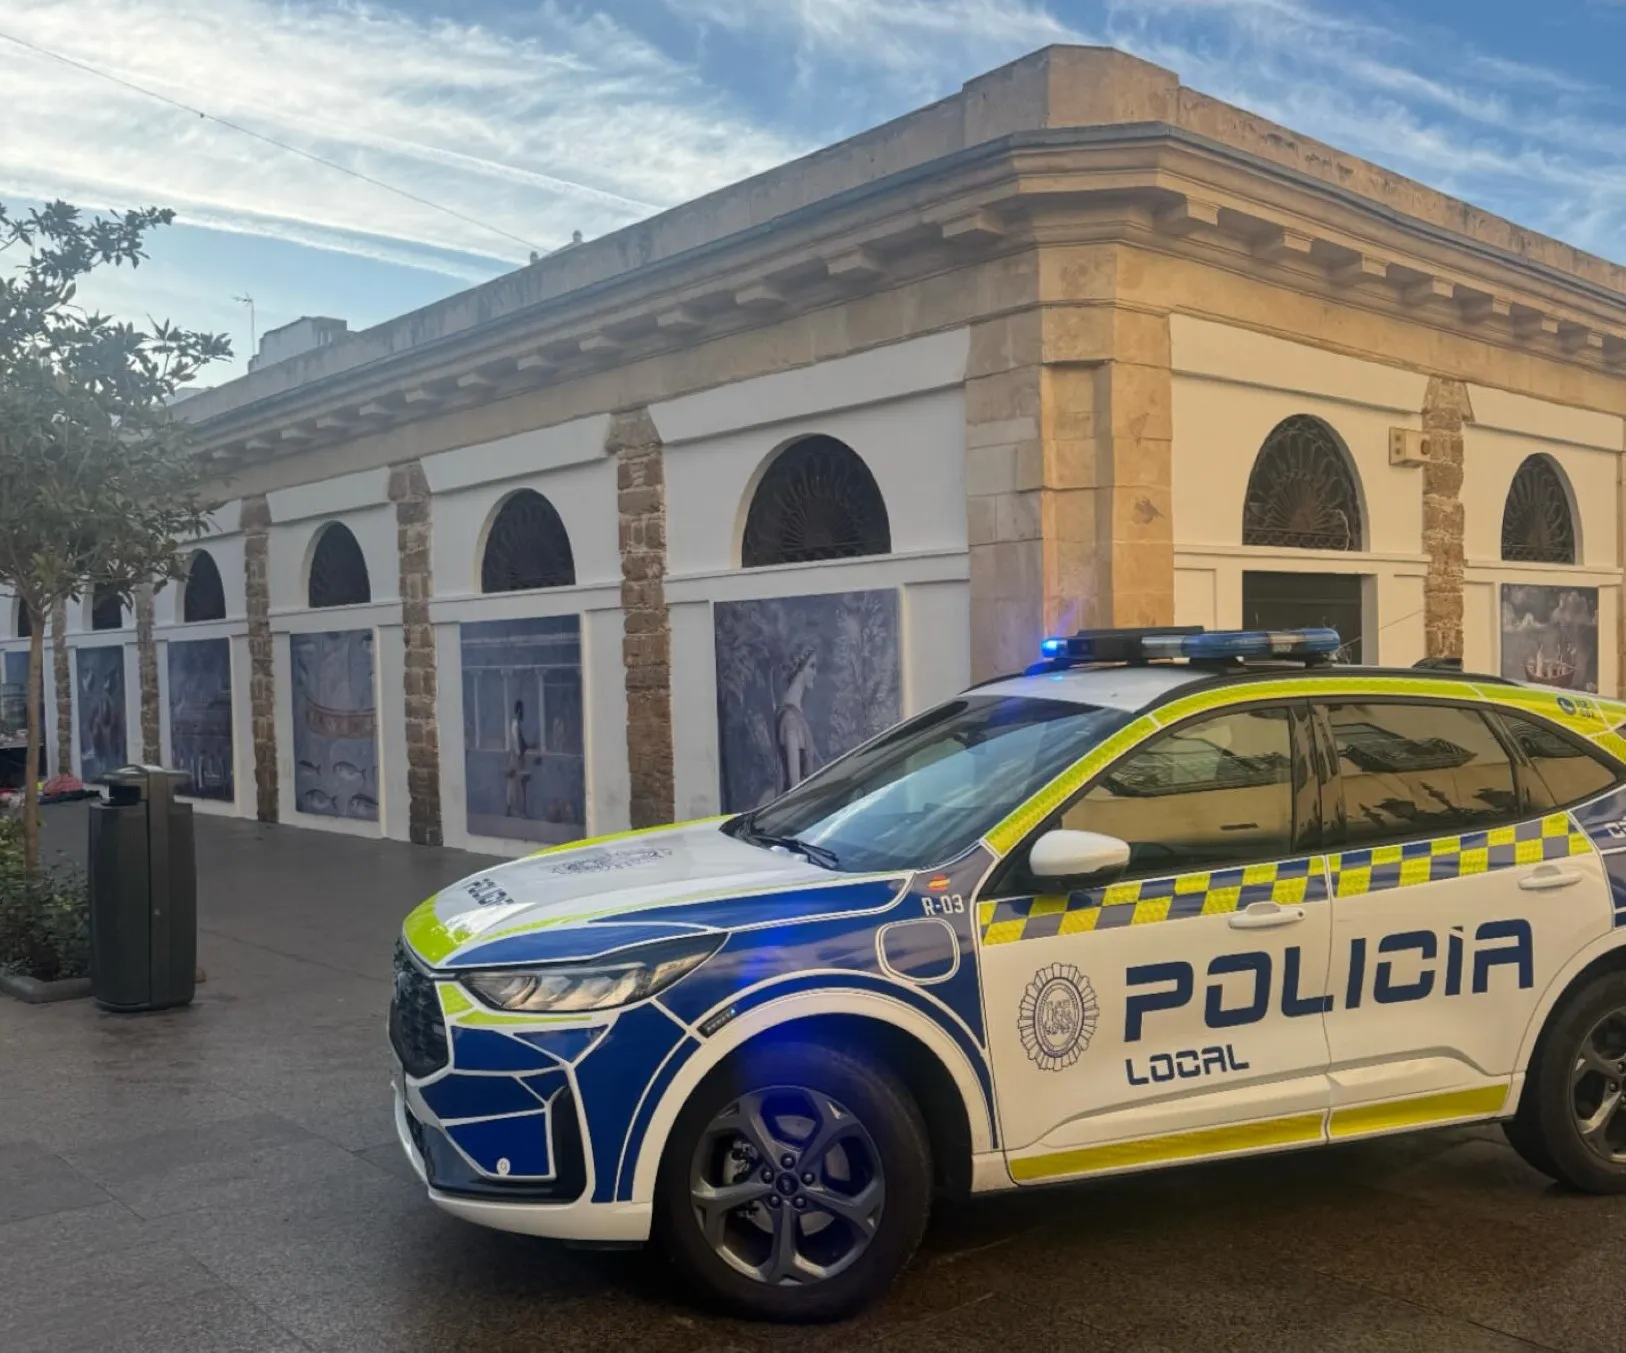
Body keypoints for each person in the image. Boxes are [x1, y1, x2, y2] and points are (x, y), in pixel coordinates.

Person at [772, 647, 820, 797]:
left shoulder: (795, 714)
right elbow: (795, 785)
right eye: (811, 666)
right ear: (799, 669)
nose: (815, 673)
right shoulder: (790, 719)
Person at [505, 699, 532, 817]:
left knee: (515, 783)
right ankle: (521, 810)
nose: (524, 713)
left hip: (517, 756)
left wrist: (528, 746)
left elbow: (521, 741)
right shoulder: (515, 725)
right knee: (518, 783)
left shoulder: (516, 725)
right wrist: (519, 753)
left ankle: (511, 808)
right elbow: (516, 741)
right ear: (519, 710)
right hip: (516, 757)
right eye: (522, 710)